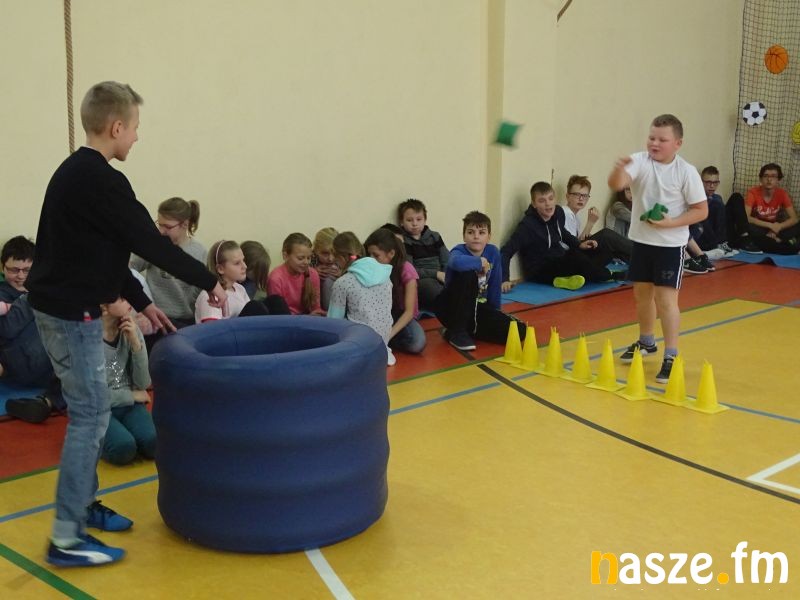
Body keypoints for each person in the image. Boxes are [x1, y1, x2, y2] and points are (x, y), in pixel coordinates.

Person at [26, 81, 226, 567]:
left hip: (64, 306)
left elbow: (102, 251)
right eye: (135, 128)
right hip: (69, 313)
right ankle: (66, 538)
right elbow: (149, 243)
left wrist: (139, 299)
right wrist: (209, 281)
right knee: (91, 415)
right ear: (116, 127)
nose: (137, 137)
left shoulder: (79, 174)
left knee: (90, 413)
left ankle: (82, 505)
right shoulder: (101, 180)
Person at [608, 113, 708, 383]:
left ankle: (671, 354)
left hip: (669, 246)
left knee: (666, 300)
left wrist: (670, 223)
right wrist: (619, 169)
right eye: (652, 137)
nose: (654, 143)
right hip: (642, 242)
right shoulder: (639, 161)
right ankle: (646, 341)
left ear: (677, 143)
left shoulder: (686, 171)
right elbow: (617, 184)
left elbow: (701, 210)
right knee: (642, 295)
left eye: (662, 140)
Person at [500, 182, 624, 293]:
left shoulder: (557, 213)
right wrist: (504, 279)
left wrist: (579, 244)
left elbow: (563, 233)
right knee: (577, 259)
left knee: (603, 252)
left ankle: (572, 277)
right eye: (542, 201)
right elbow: (506, 251)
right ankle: (609, 275)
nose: (548, 204)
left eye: (550, 198)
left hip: (560, 258)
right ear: (534, 204)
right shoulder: (527, 226)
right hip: (540, 269)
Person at [437, 211, 526, 351]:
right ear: (464, 236)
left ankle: (459, 331)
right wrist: (479, 262)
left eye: (481, 232)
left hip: (478, 310)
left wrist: (495, 313)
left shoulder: (493, 252)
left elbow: (495, 286)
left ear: (489, 236)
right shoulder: (458, 251)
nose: (476, 236)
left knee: (518, 331)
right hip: (451, 308)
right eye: (470, 232)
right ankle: (458, 331)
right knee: (468, 273)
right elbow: (455, 262)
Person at [0, 237, 66, 423]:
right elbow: (6, 329)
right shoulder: (3, 293)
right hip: (17, 360)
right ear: (3, 268)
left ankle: (45, 402)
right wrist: (33, 296)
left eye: (27, 270)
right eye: (14, 270)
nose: (20, 276)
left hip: (47, 366)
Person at [130, 197, 206, 329]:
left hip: (187, 321)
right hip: (156, 319)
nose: (161, 230)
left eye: (168, 227)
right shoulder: (154, 245)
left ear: (184, 224)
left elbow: (201, 291)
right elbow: (130, 268)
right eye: (159, 224)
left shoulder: (199, 251)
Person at [99, 297, 154, 465]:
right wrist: (131, 396)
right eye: (121, 299)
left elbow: (143, 383)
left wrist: (136, 344)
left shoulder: (130, 328)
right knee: (123, 448)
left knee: (154, 443)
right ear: (104, 307)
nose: (129, 301)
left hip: (128, 405)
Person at [327, 231, 394, 365]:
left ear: (341, 257)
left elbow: (333, 322)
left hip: (359, 346)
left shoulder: (343, 283)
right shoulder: (385, 275)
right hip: (382, 345)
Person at [365, 228, 426, 355]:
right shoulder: (370, 268)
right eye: (369, 254)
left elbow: (409, 312)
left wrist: (388, 335)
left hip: (400, 315)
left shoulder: (406, 270)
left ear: (391, 254)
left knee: (417, 343)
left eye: (376, 255)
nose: (371, 259)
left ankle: (389, 340)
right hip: (379, 315)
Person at [727, 163, 800, 255]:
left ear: (778, 180)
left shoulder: (782, 194)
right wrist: (770, 225)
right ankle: (780, 243)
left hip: (775, 231)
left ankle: (778, 240)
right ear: (761, 179)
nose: (769, 179)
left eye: (773, 176)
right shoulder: (753, 192)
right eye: (766, 176)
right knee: (746, 227)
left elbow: (794, 219)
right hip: (758, 228)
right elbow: (746, 218)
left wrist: (778, 227)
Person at [562, 174, 632, 262]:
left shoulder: (576, 218)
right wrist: (590, 223)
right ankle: (644, 253)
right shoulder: (564, 212)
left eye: (585, 195)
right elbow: (572, 245)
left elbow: (578, 242)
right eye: (577, 194)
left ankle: (641, 262)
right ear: (567, 196)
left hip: (574, 256)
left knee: (609, 249)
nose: (581, 199)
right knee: (606, 235)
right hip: (566, 258)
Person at [397, 199, 449, 312]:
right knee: (429, 287)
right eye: (409, 220)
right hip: (422, 279)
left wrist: (447, 275)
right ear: (401, 222)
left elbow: (446, 260)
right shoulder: (404, 241)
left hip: (442, 275)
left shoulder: (435, 236)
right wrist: (436, 274)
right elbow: (410, 270)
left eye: (419, 219)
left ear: (425, 219)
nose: (415, 223)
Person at [268, 233, 324, 315]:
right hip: (286, 320)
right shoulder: (276, 279)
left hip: (310, 319)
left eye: (309, 258)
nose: (306, 262)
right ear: (285, 256)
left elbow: (316, 308)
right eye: (300, 258)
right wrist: (306, 317)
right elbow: (278, 314)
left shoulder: (313, 274)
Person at [195, 240, 250, 323]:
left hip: (242, 330)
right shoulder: (210, 296)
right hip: (224, 331)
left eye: (243, 260)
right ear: (220, 269)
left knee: (269, 302)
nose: (245, 266)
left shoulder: (240, 289)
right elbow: (213, 329)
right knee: (255, 306)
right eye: (237, 263)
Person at [692, 166, 738, 258]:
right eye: (708, 182)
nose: (712, 186)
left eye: (715, 183)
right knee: (714, 205)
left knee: (719, 201)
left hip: (711, 236)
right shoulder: (694, 197)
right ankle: (716, 245)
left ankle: (720, 244)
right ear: (701, 182)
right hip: (697, 235)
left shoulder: (717, 198)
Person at [237, 240, 290, 317]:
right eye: (256, 270)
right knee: (256, 306)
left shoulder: (253, 283)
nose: (258, 274)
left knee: (276, 301)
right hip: (238, 318)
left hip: (254, 309)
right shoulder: (231, 283)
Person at [311, 227, 341, 311]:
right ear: (316, 250)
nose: (330, 259)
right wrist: (313, 272)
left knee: (329, 280)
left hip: (335, 303)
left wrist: (342, 274)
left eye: (335, 253)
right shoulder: (310, 258)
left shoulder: (342, 258)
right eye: (325, 253)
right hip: (314, 304)